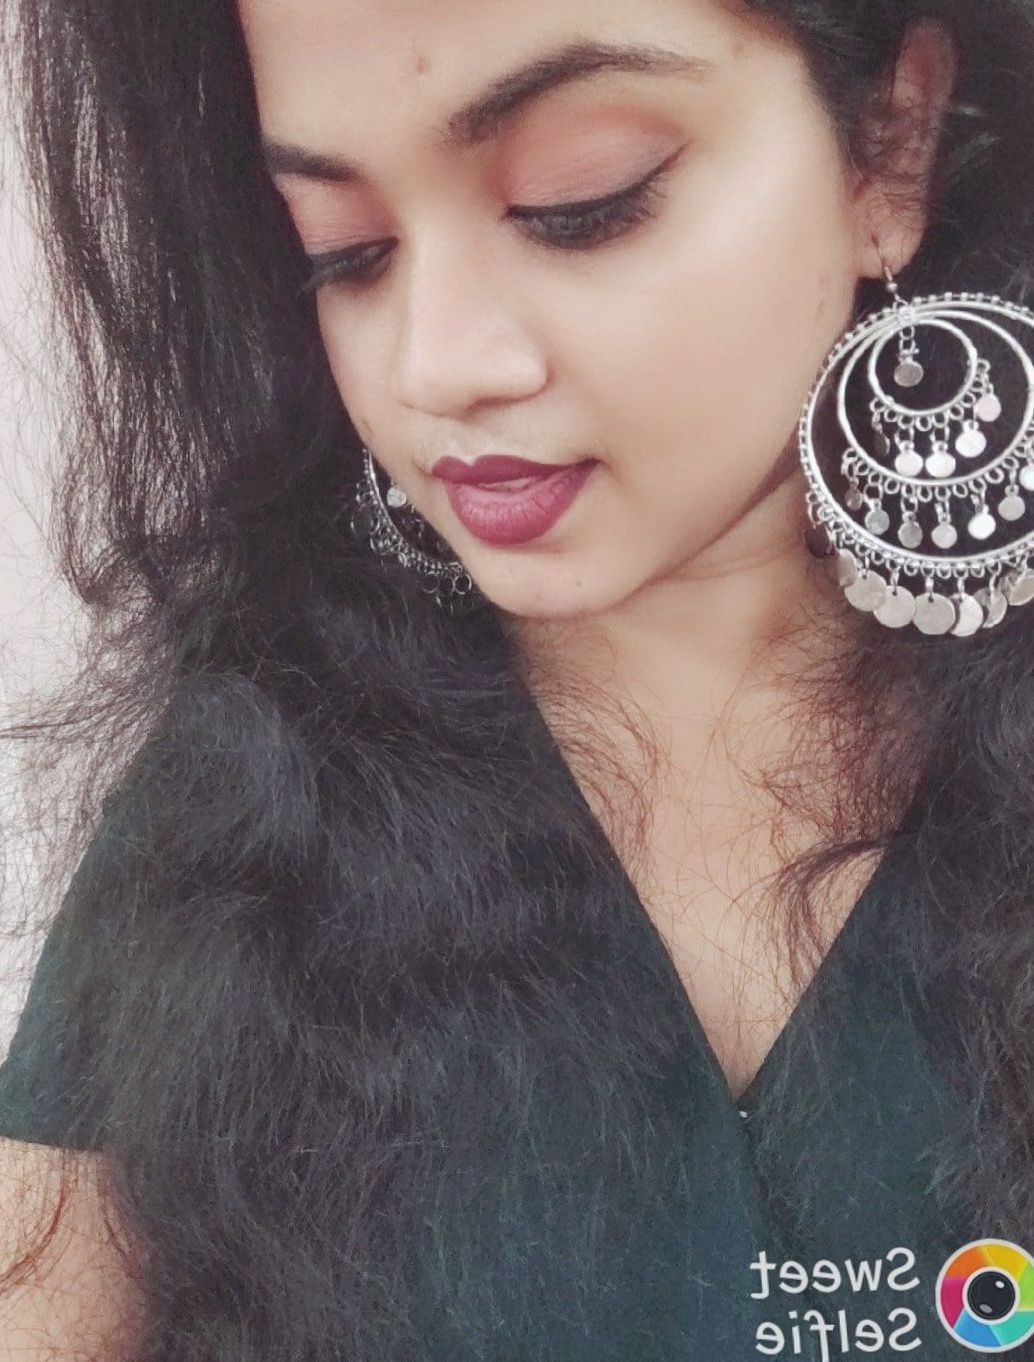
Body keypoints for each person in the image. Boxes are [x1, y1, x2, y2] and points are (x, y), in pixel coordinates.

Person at [1, 0, 1033, 1357]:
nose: (435, 365)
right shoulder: (248, 807)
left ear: (889, 141)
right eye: (344, 252)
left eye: (579, 203)